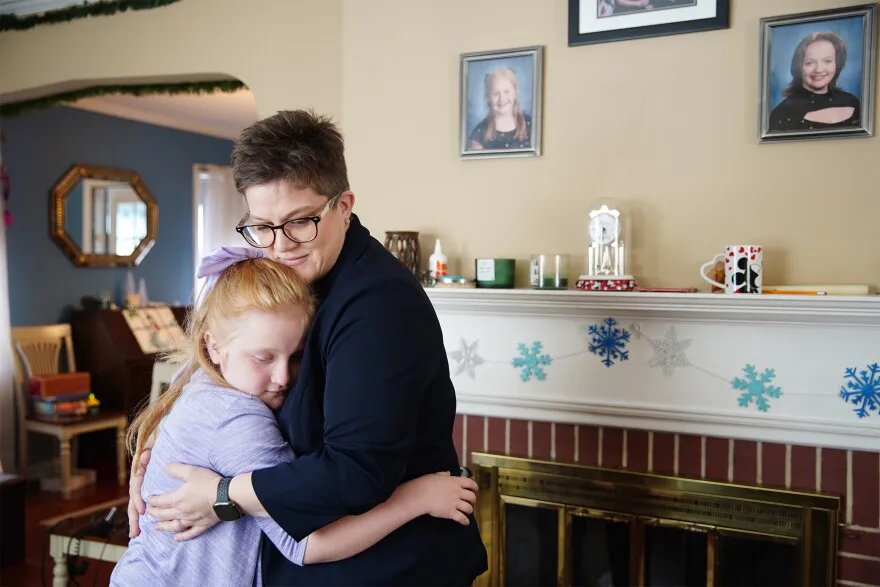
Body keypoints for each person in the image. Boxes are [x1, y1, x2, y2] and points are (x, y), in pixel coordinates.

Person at [128, 110, 489, 586]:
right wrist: (157, 443)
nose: (279, 245)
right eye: (262, 225)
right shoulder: (285, 264)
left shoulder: (379, 307)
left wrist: (223, 495)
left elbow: (356, 472)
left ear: (344, 205)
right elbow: (213, 357)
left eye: (300, 222)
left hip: (383, 565)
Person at [112, 248, 478, 586]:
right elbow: (309, 544)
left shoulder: (204, 379)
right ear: (213, 345)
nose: (284, 377)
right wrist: (417, 498)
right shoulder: (237, 419)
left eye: (297, 355)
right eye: (264, 358)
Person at [769, 31, 861, 132]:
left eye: (827, 61)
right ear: (799, 67)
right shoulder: (782, 113)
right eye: (810, 63)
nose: (819, 69)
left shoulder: (853, 102)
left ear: (837, 64)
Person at [468, 67, 532, 150]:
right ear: (488, 98)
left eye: (506, 92)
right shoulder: (479, 134)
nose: (502, 98)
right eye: (495, 94)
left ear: (515, 93)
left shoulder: (530, 124)